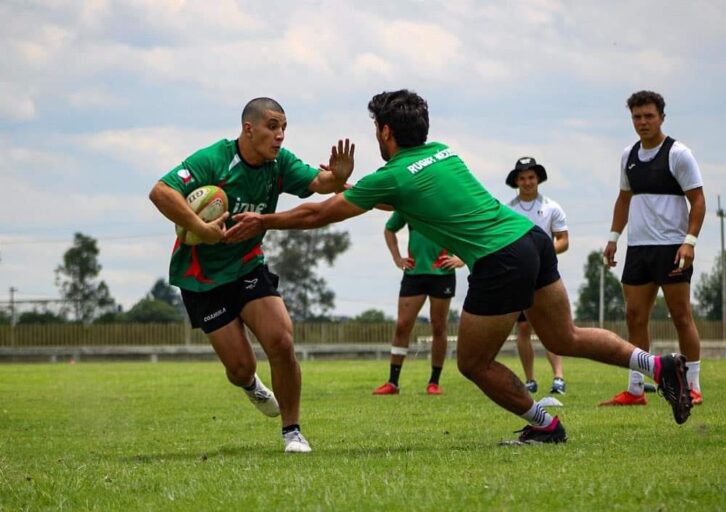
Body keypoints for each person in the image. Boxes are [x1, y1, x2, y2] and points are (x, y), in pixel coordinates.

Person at [224, 89, 693, 444]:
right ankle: (659, 364)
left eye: (376, 130)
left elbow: (318, 214)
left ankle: (545, 425)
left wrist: (264, 219)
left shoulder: (390, 174)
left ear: (385, 133)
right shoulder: (443, 151)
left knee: (472, 362)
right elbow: (405, 195)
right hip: (531, 241)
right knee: (563, 337)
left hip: (500, 259)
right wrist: (344, 186)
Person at [149, 97, 355, 453]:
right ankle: (251, 385)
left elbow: (320, 183)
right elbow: (161, 191)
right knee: (240, 368)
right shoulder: (215, 159)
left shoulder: (280, 164)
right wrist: (202, 227)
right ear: (249, 128)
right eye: (272, 127)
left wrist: (337, 176)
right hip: (203, 278)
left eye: (284, 128)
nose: (280, 136)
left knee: (282, 340)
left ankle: (293, 432)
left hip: (247, 265)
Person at [601, 90, 705, 407]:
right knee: (634, 316)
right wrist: (613, 237)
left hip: (672, 247)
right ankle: (635, 390)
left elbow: (698, 200)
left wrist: (689, 242)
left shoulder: (678, 154)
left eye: (649, 116)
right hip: (639, 249)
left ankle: (692, 386)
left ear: (661, 117)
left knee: (680, 316)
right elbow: (623, 199)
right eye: (637, 116)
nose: (643, 122)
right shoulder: (628, 155)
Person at [372, 210, 465, 396]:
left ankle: (434, 382)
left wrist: (461, 259)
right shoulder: (408, 204)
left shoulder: (448, 204)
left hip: (442, 274)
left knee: (439, 327)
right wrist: (397, 258)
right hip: (414, 274)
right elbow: (389, 229)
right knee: (402, 325)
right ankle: (393, 383)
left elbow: (468, 230)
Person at [505, 156, 568, 395]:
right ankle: (529, 379)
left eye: (531, 177)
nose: (527, 182)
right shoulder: (508, 209)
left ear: (538, 178)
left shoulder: (552, 207)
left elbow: (563, 240)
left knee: (550, 328)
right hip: (519, 277)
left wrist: (542, 251)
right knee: (523, 329)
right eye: (523, 178)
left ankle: (559, 377)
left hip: (545, 275)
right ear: (516, 181)